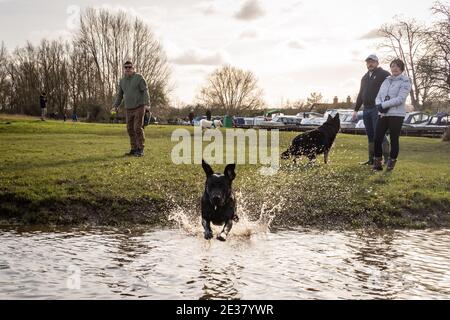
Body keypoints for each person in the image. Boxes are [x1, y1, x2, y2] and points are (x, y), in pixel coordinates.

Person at [373, 59, 411, 171]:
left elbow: (400, 99)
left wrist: (384, 105)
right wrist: (379, 105)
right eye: (392, 66)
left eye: (397, 66)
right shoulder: (386, 81)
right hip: (383, 114)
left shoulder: (406, 81)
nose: (394, 68)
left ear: (401, 68)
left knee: (394, 139)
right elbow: (378, 96)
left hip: (396, 115)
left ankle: (391, 164)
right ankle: (377, 163)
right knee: (377, 138)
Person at [353, 54, 391, 165]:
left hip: (377, 109)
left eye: (372, 61)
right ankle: (372, 159)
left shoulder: (384, 74)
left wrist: (385, 105)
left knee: (379, 133)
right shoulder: (364, 78)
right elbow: (361, 94)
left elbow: (391, 90)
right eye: (368, 62)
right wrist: (356, 110)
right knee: (370, 135)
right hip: (366, 109)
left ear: (377, 63)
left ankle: (387, 159)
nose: (370, 64)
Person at [113, 61, 150, 157]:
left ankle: (140, 149)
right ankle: (133, 149)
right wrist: (115, 106)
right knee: (129, 129)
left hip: (139, 106)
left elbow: (145, 91)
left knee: (137, 127)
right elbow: (119, 95)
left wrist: (147, 104)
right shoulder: (122, 81)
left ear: (133, 68)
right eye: (126, 67)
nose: (128, 69)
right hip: (128, 108)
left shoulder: (139, 78)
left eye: (129, 67)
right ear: (124, 69)